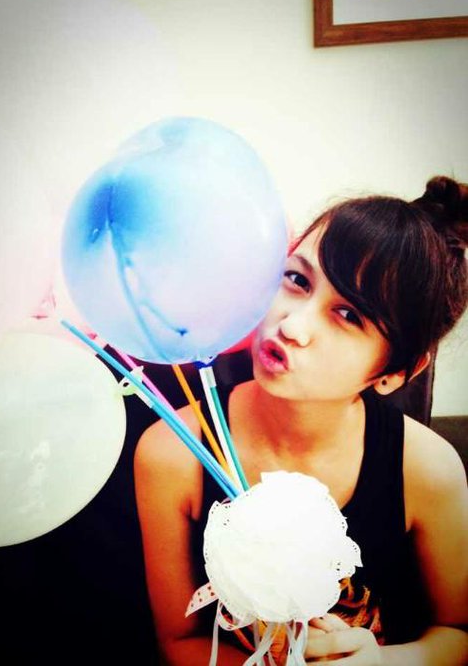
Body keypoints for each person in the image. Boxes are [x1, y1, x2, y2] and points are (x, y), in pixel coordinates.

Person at [134, 175, 468, 665]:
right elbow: (178, 640)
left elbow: (457, 631)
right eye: (297, 280)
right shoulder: (173, 452)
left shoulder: (426, 469)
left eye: (348, 315)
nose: (291, 325)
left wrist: (380, 662)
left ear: (398, 372)